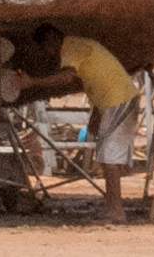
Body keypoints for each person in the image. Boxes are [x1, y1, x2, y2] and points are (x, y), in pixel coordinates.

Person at [12, 24, 140, 223]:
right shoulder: (78, 46)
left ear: (52, 40)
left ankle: (116, 211)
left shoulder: (71, 48)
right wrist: (95, 114)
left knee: (109, 158)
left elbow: (66, 77)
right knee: (107, 157)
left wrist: (32, 82)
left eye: (47, 47)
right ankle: (112, 207)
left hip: (118, 100)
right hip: (112, 100)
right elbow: (99, 77)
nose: (49, 53)